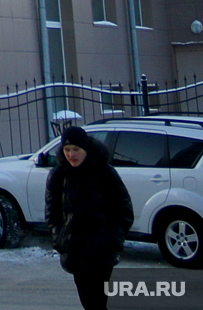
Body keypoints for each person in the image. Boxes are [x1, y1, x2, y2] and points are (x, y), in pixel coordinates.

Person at [45, 125, 134, 310]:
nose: (71, 155)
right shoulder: (58, 175)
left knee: (99, 303)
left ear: (86, 149)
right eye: (67, 150)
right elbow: (52, 213)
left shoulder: (104, 173)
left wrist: (113, 240)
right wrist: (60, 240)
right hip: (75, 252)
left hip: (102, 253)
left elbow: (124, 211)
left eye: (76, 149)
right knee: (88, 303)